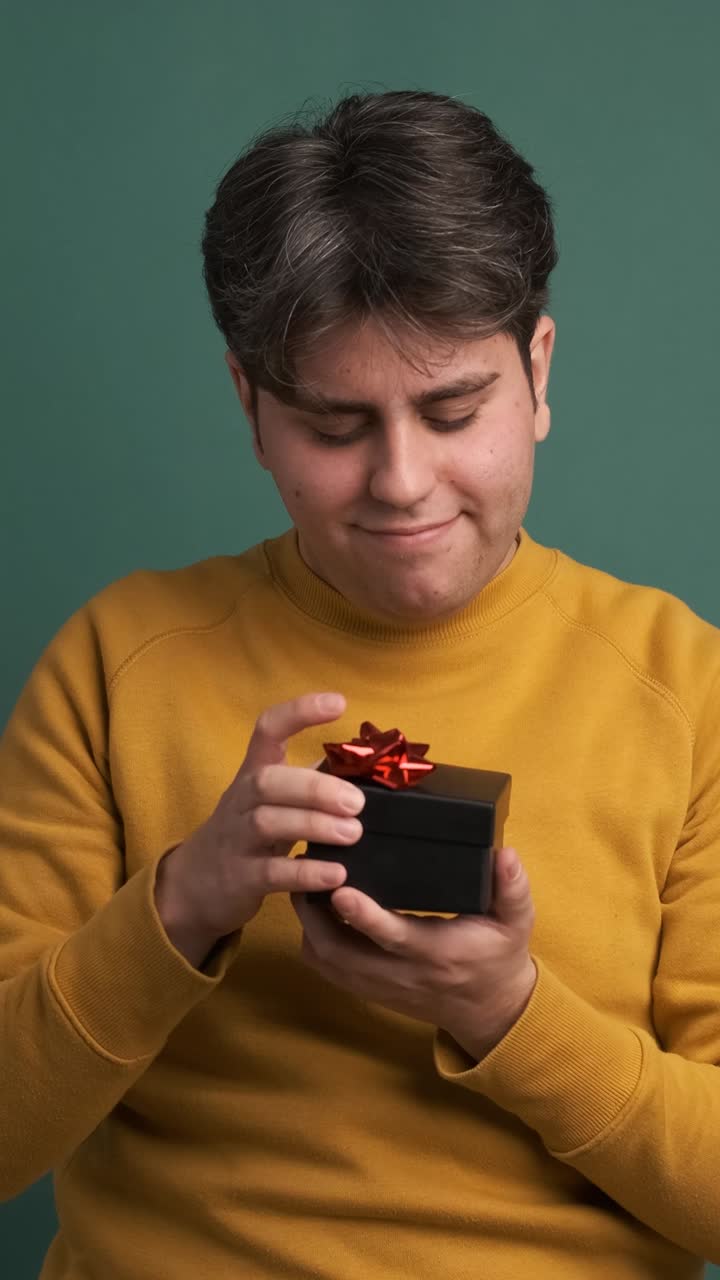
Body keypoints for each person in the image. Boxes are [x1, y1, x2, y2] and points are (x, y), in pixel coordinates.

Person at [0, 88, 718, 1280]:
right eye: (334, 424)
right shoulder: (118, 659)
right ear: (251, 406)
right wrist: (179, 904)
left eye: (453, 410)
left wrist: (508, 1011)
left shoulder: (684, 690)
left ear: (537, 372)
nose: (401, 481)